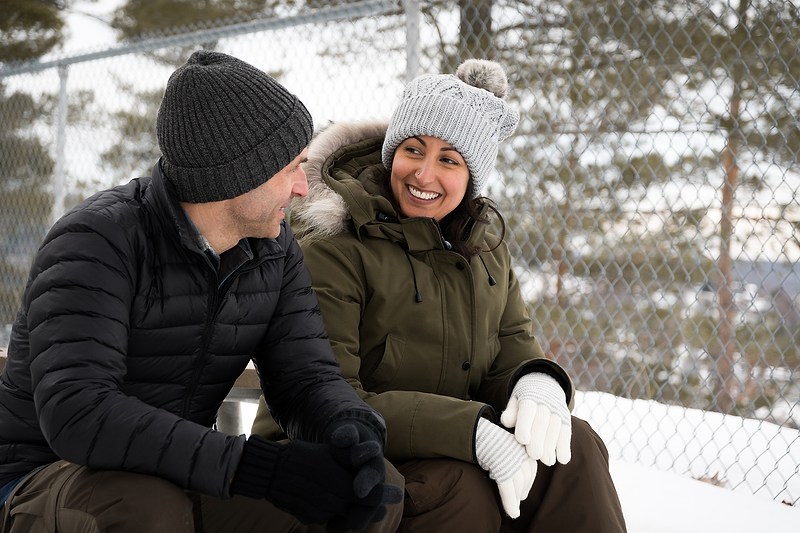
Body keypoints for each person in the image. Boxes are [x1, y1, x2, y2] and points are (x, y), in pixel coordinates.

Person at [0, 50, 403, 533]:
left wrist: (350, 430)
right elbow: (79, 412)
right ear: (237, 174)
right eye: (292, 167)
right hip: (44, 479)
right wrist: (258, 469)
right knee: (144, 507)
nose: (302, 187)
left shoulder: (273, 250)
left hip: (177, 471)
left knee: (368, 493)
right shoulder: (96, 240)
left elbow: (305, 378)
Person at [251, 59, 628, 532]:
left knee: (576, 449)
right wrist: (470, 432)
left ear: (473, 175)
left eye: (449, 159)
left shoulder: (484, 249)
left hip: (439, 447)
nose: (424, 175)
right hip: (331, 451)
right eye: (413, 149)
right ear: (392, 153)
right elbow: (327, 400)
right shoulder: (335, 251)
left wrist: (537, 383)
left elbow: (510, 347)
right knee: (458, 484)